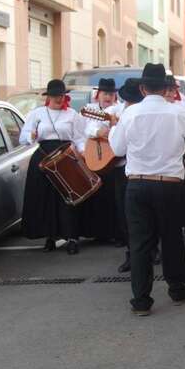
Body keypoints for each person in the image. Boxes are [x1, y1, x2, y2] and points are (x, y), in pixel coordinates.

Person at [108, 63, 185, 316]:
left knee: (140, 243)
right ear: (165, 88)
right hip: (169, 184)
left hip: (137, 183)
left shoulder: (130, 113)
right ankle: (177, 290)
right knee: (172, 238)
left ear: (143, 89)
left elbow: (117, 149)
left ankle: (141, 300)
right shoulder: (177, 112)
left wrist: (114, 128)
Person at [18, 79, 80, 254]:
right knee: (45, 198)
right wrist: (31, 135)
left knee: (68, 197)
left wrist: (81, 155)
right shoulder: (37, 114)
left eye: (61, 95)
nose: (59, 99)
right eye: (55, 96)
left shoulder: (72, 114)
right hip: (43, 157)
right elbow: (23, 138)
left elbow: (79, 138)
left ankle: (72, 237)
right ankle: (50, 236)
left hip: (66, 157)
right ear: (49, 97)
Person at [76, 78, 122, 244]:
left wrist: (114, 126)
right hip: (96, 157)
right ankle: (97, 232)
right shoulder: (91, 110)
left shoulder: (120, 109)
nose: (108, 97)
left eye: (111, 94)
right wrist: (97, 132)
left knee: (114, 197)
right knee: (97, 196)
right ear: (98, 94)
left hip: (116, 160)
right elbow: (82, 131)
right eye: (105, 93)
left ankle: (117, 233)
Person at [112, 78, 143, 273]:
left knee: (141, 216)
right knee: (125, 214)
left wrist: (115, 130)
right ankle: (132, 253)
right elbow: (89, 128)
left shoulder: (140, 113)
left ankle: (148, 251)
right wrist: (105, 129)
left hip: (137, 171)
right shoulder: (116, 111)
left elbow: (118, 147)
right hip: (121, 169)